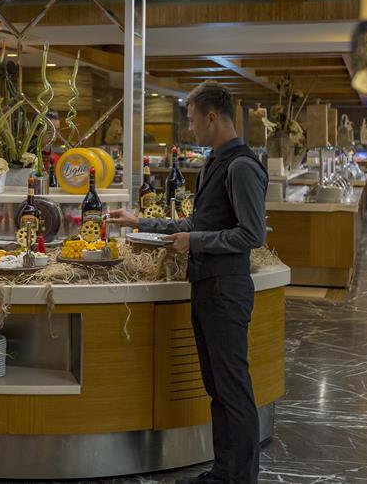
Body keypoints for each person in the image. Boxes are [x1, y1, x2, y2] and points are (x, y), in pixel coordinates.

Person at [109, 81, 267, 484]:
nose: (190, 127)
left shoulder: (242, 166)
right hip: (207, 287)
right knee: (217, 388)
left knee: (234, 391)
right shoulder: (216, 162)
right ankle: (224, 471)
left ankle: (241, 478)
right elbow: (198, 223)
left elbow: (251, 235)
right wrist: (142, 222)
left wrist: (194, 241)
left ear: (212, 118)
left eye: (193, 120)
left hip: (226, 291)